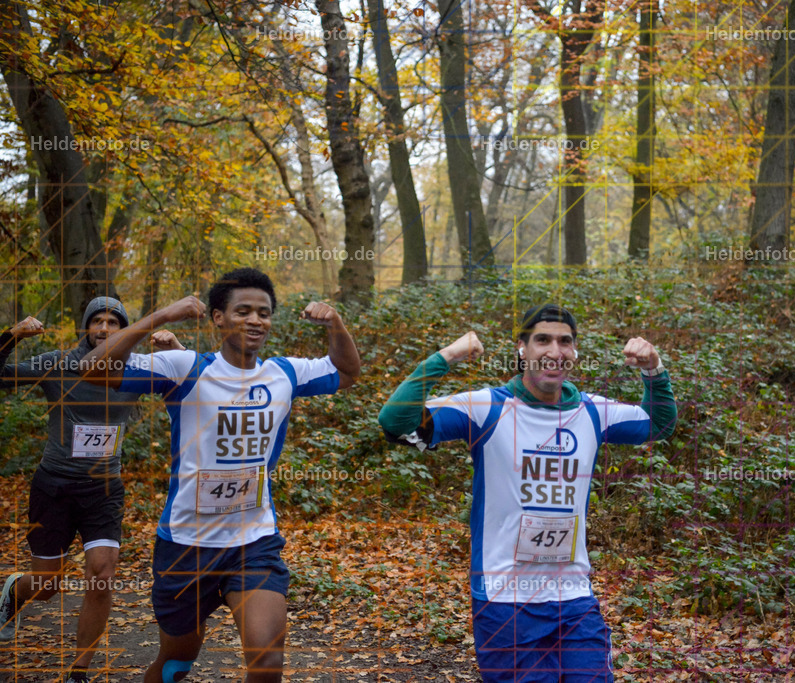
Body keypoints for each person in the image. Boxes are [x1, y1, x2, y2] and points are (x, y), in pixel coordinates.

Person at [77, 267, 360, 683]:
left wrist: (336, 323)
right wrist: (160, 317)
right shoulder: (185, 368)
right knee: (176, 663)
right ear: (217, 318)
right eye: (242, 310)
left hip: (254, 542)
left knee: (266, 661)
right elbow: (92, 369)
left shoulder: (284, 374)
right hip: (185, 547)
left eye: (263, 313)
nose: (255, 320)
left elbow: (348, 372)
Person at [378, 304, 677, 682]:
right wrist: (448, 356)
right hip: (506, 601)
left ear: (575, 351)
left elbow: (660, 423)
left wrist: (654, 369)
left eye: (565, 341)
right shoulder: (486, 408)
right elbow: (395, 420)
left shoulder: (591, 412)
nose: (555, 351)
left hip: (574, 598)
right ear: (522, 348)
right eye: (542, 340)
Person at [0, 297, 185, 683]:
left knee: (102, 574)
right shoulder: (59, 363)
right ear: (86, 327)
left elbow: (196, 388)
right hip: (53, 486)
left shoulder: (136, 368)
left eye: (113, 322)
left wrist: (176, 350)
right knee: (46, 585)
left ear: (123, 329)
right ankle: (15, 592)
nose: (104, 329)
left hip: (103, 490)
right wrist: (12, 336)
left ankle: (78, 672)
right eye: (97, 321)